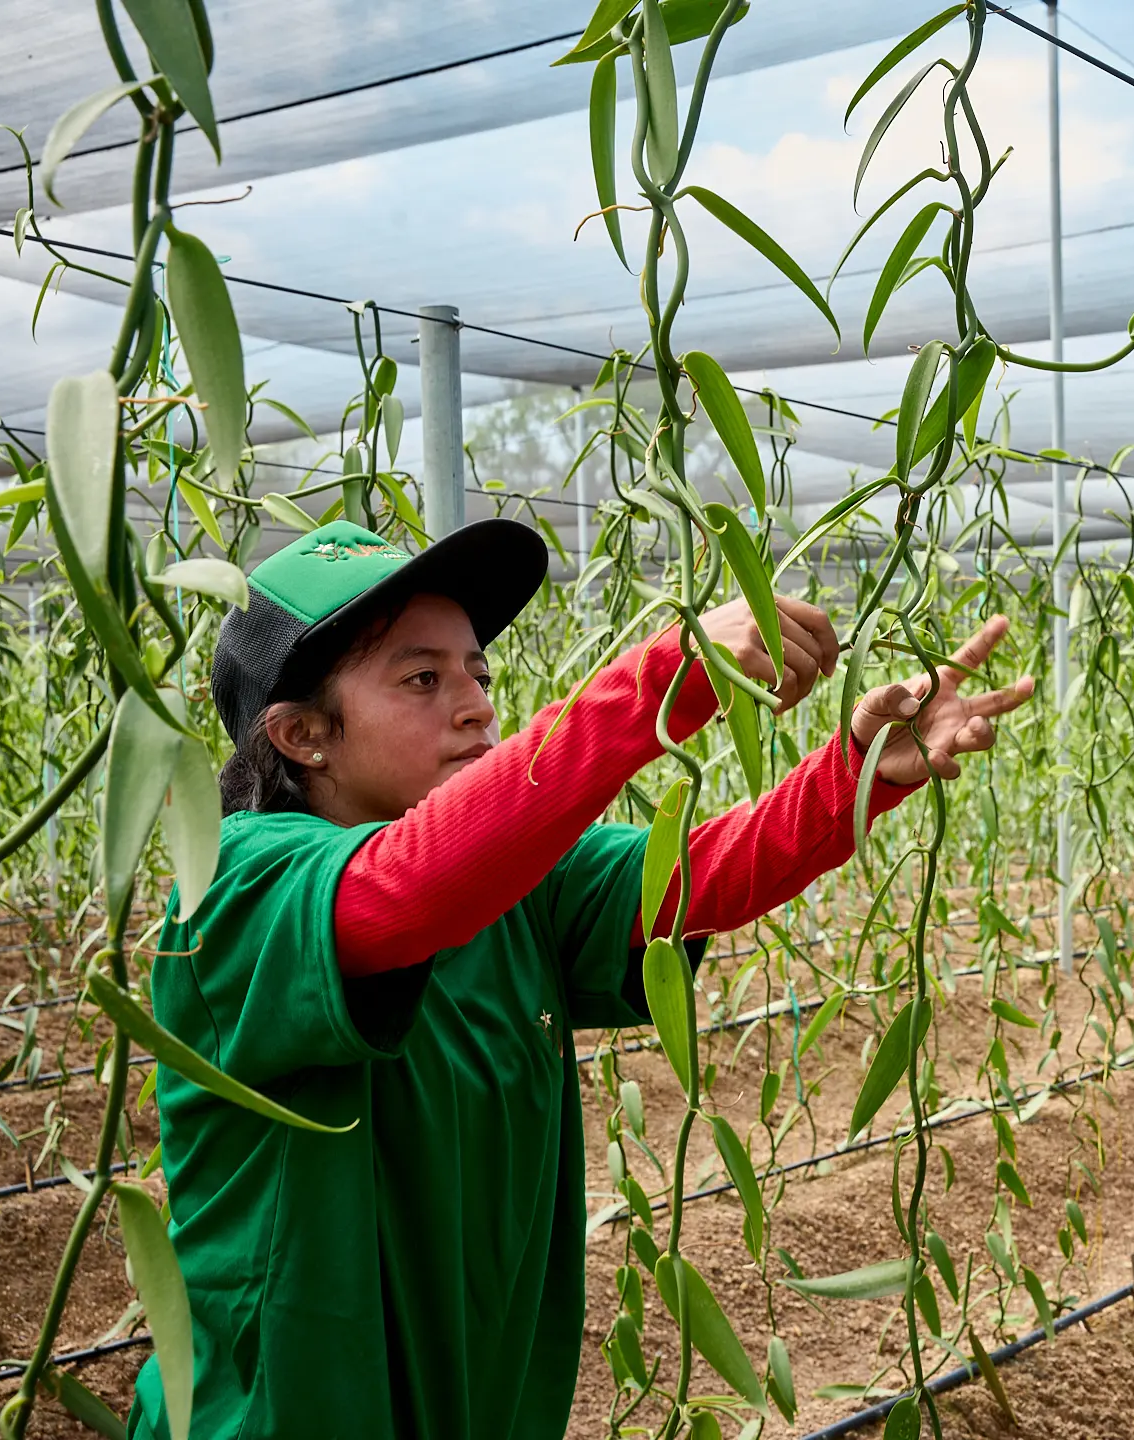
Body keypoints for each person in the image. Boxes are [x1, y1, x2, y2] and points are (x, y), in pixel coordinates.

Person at [126, 518, 1034, 1440]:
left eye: (477, 672)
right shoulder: (235, 887)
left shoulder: (519, 883)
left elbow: (697, 875)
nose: (477, 703)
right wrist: (658, 686)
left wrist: (859, 770)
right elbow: (402, 890)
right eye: (421, 678)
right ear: (301, 734)